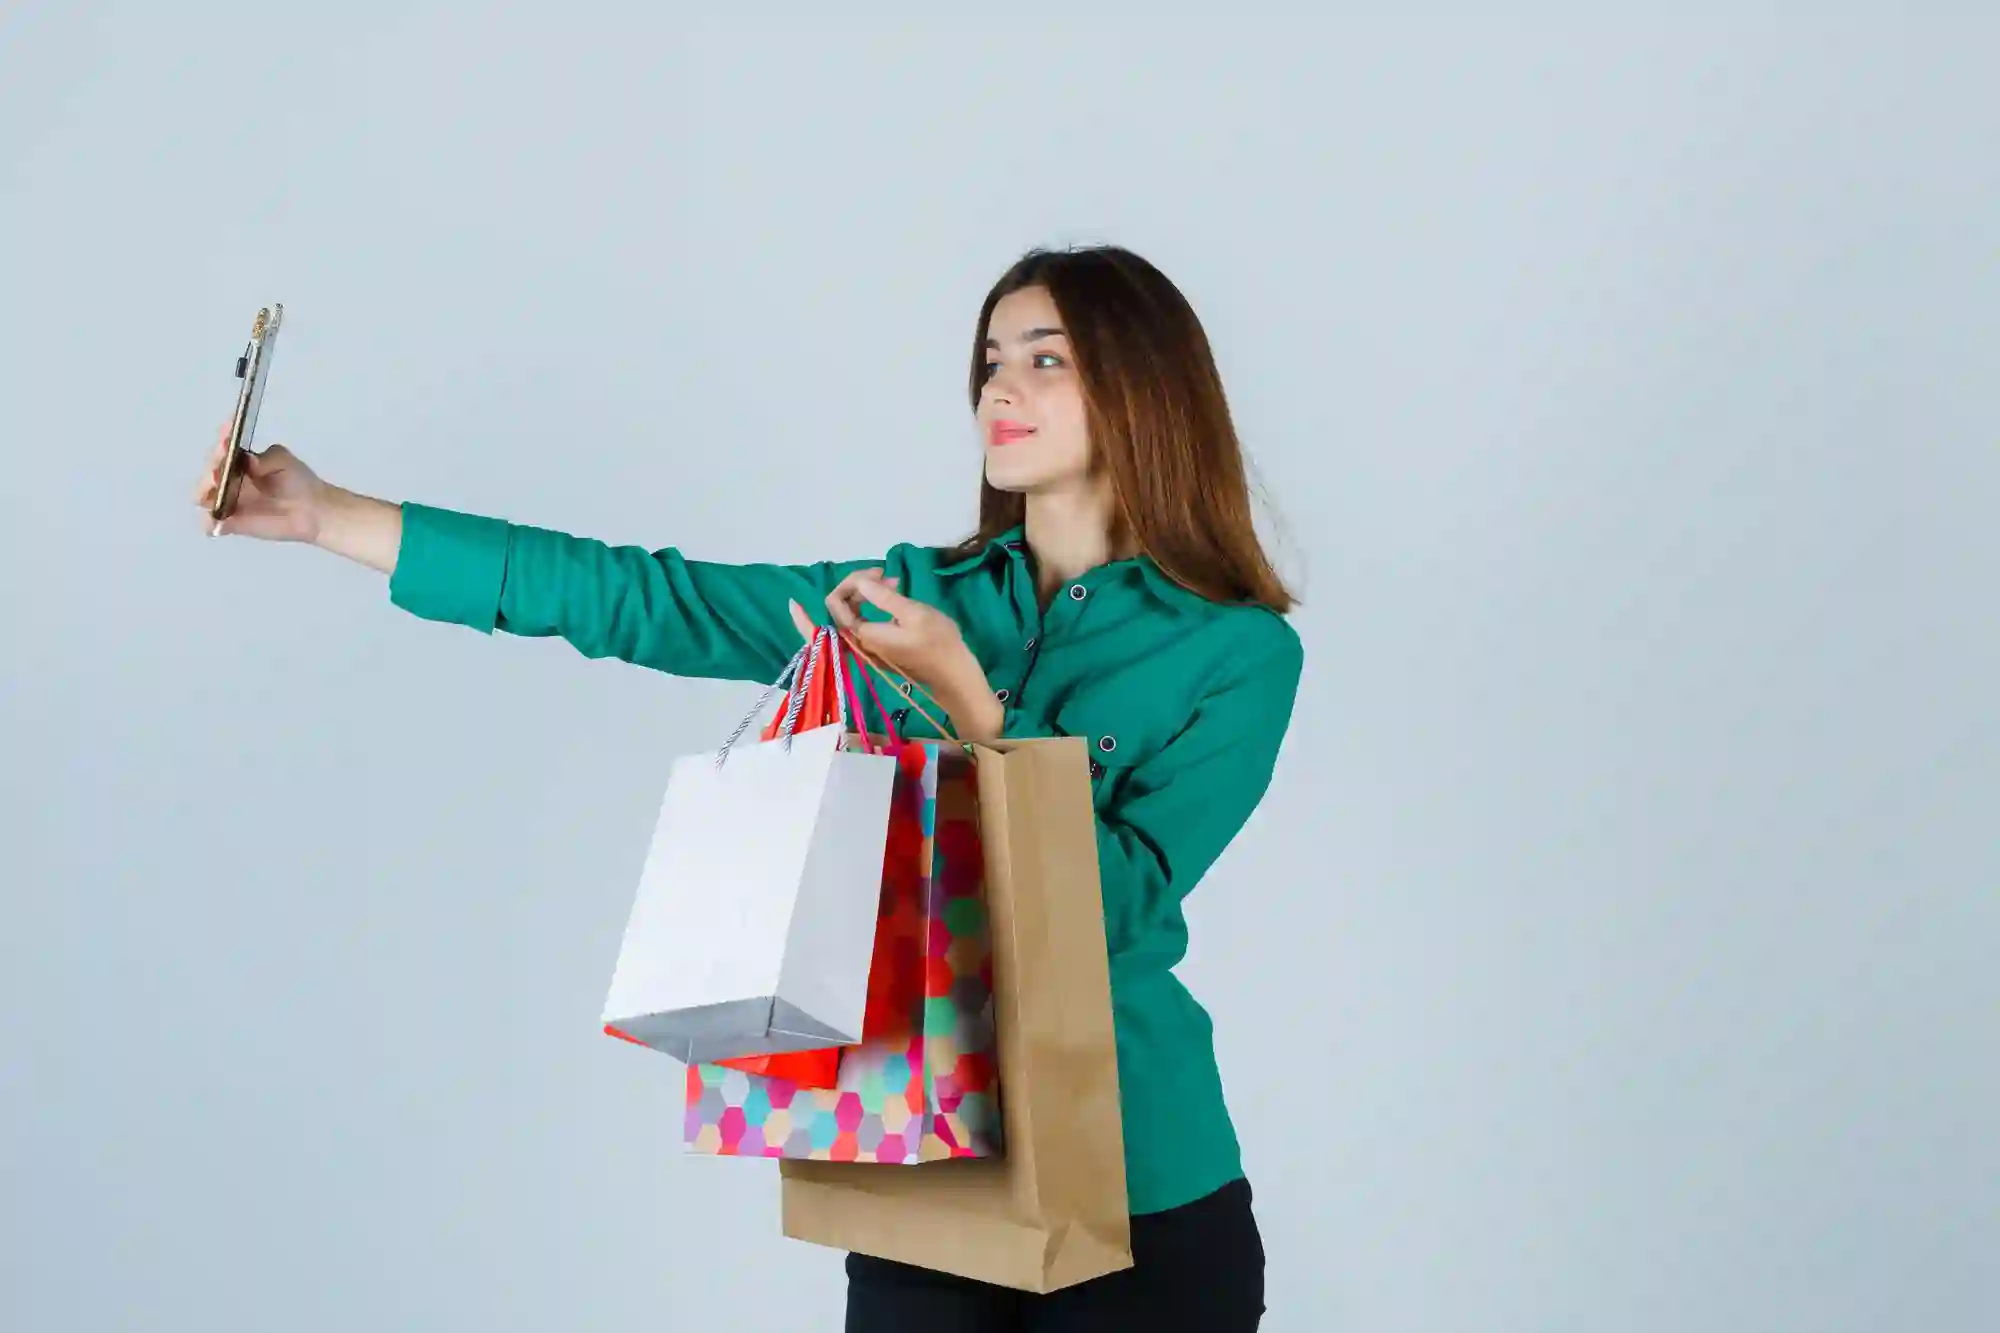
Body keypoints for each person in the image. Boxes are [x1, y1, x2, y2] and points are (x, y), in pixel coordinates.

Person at [193, 243, 1303, 1331]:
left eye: (1044, 358)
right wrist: (326, 515)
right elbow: (648, 598)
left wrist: (975, 713)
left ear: (1144, 385)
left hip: (1140, 1194)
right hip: (914, 1163)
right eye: (989, 358)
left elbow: (1111, 911)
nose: (998, 387)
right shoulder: (908, 593)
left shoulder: (1235, 653)